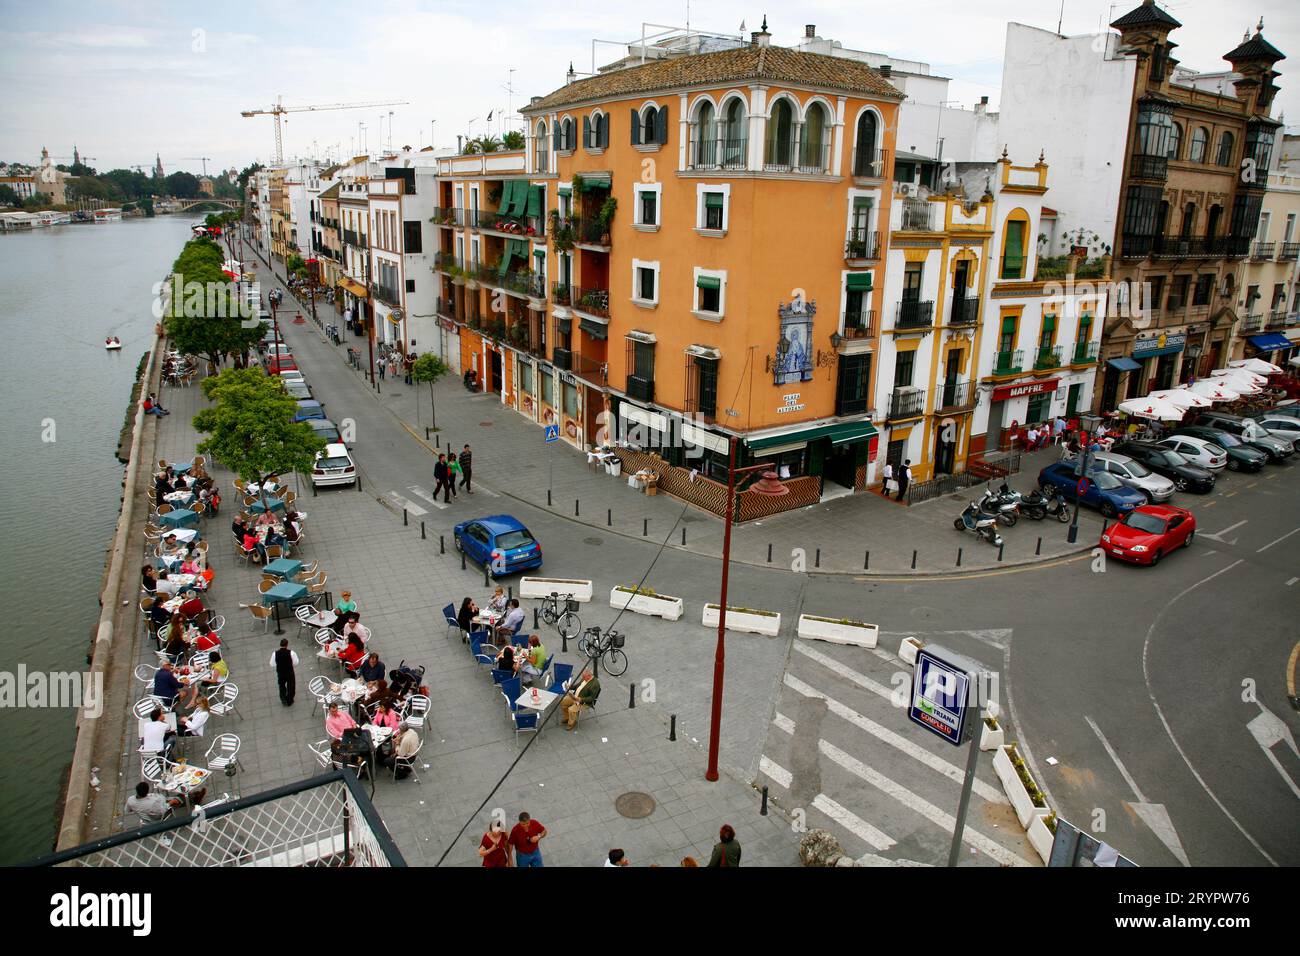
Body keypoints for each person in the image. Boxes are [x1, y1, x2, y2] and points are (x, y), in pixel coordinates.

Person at [126, 781, 201, 823]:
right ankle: (194, 798)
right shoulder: (152, 803)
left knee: (176, 798)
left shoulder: (130, 799)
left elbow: (127, 811)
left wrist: (139, 808)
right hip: (157, 816)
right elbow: (162, 810)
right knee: (177, 800)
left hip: (149, 813)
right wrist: (171, 802)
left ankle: (192, 797)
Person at [270, 638, 299, 706]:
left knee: (281, 685)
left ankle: (283, 699)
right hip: (289, 672)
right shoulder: (291, 653)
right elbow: (296, 662)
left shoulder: (275, 654)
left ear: (280, 645)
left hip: (281, 673)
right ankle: (289, 700)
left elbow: (272, 664)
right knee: (291, 686)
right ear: (287, 645)